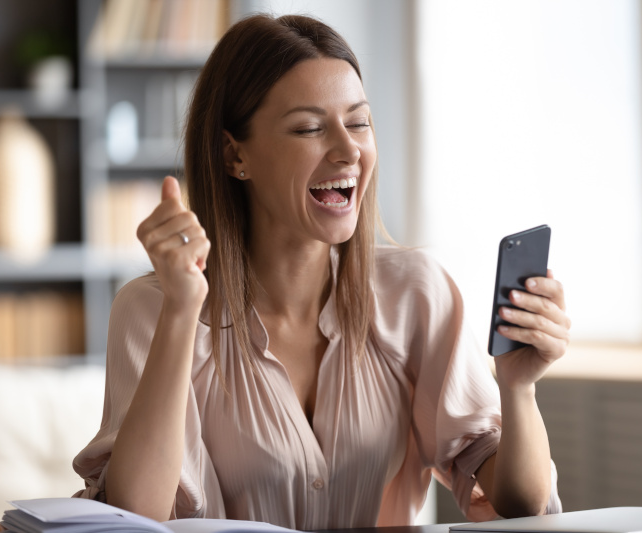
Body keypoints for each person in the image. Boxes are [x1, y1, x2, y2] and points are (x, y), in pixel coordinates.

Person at [73, 13, 571, 529]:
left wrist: (518, 388)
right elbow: (135, 519)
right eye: (310, 128)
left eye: (358, 122)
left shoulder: (416, 292)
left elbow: (523, 507)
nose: (349, 149)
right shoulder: (153, 308)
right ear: (234, 154)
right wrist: (181, 310)